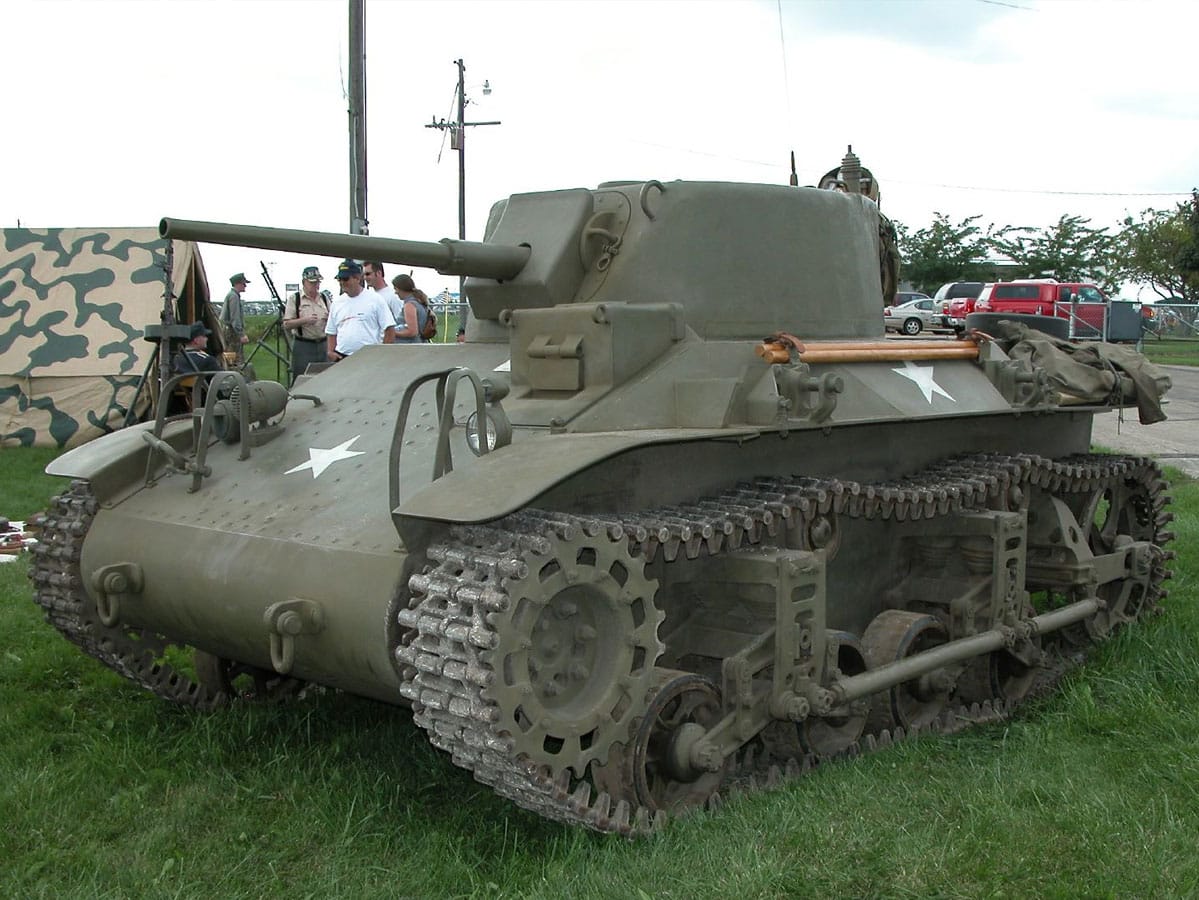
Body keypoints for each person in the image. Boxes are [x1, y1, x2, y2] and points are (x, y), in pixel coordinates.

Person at [325, 259, 396, 360]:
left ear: (357, 278)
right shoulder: (336, 303)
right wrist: (330, 352)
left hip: (369, 358)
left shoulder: (375, 299)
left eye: (345, 279)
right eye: (339, 279)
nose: (342, 283)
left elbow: (389, 329)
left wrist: (382, 354)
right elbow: (331, 332)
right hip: (342, 358)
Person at [284, 265, 332, 379]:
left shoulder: (324, 298)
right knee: (303, 378)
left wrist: (329, 319)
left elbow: (333, 318)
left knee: (325, 377)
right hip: (304, 345)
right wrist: (304, 320)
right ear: (304, 282)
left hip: (323, 344)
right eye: (312, 282)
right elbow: (287, 324)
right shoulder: (295, 299)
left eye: (318, 282)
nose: (316, 285)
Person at [172, 321, 223, 402]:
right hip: (209, 401)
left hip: (185, 401)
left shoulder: (177, 359)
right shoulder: (206, 360)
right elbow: (223, 379)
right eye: (204, 336)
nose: (207, 339)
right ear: (196, 340)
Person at [391, 273, 429, 343]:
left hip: (410, 345)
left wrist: (392, 333)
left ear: (402, 288)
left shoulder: (410, 305)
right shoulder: (418, 302)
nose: (395, 292)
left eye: (396, 289)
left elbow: (412, 332)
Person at [364, 261, 403, 326]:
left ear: (379, 273)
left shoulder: (393, 296)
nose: (365, 278)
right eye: (364, 275)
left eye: (368, 274)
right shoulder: (368, 296)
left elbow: (400, 323)